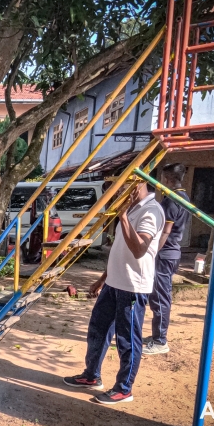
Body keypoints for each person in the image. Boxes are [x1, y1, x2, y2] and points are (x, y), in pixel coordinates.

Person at [63, 181, 165, 405]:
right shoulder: (131, 208)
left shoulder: (152, 211)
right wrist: (102, 279)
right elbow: (119, 249)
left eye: (122, 185)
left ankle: (124, 389)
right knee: (98, 329)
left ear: (138, 183)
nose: (118, 191)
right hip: (113, 283)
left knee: (127, 339)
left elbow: (139, 250)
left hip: (132, 287)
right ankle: (91, 375)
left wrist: (123, 217)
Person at [143, 163, 189, 355]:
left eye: (162, 178)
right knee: (158, 296)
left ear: (167, 179)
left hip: (164, 254)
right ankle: (157, 335)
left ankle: (160, 341)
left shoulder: (171, 201)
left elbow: (165, 232)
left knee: (160, 297)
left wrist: (151, 252)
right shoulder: (184, 197)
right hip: (172, 252)